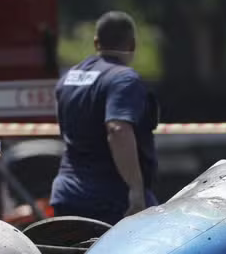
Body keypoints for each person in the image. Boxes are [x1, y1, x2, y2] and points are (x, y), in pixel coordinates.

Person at [49, 10, 159, 226]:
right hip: (111, 199)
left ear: (96, 43)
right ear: (133, 44)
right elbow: (118, 129)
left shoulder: (69, 78)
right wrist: (136, 190)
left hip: (67, 194)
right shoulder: (124, 79)